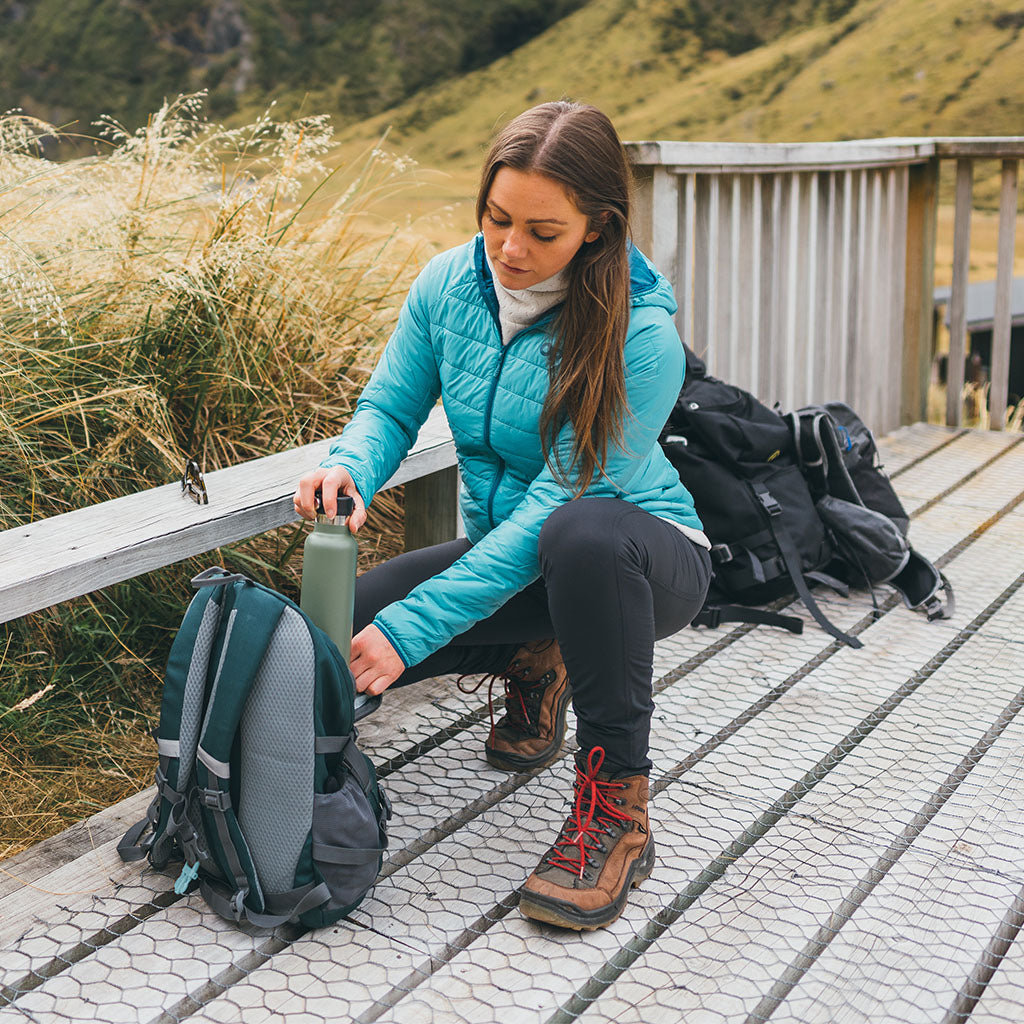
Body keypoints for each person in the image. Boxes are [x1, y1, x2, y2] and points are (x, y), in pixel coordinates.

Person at [293, 100, 712, 931]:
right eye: (496, 219)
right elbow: (390, 406)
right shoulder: (449, 284)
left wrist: (414, 630)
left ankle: (617, 809)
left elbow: (560, 501)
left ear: (596, 227)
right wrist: (350, 464)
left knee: (579, 534)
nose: (511, 249)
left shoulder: (641, 338)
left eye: (542, 232)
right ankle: (537, 658)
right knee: (338, 632)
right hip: (513, 554)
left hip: (637, 561)